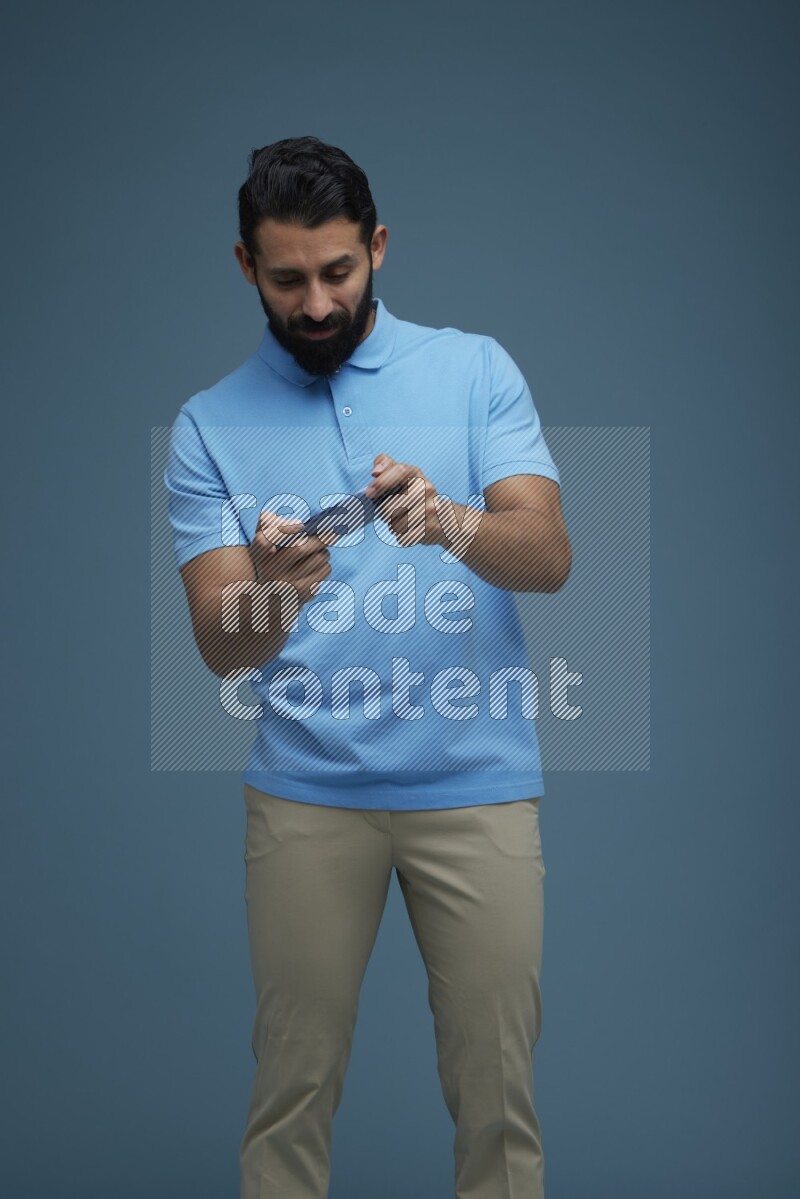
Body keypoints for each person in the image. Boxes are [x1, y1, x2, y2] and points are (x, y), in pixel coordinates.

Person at [164, 135, 571, 1199]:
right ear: (246, 265)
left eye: (337, 271)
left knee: (498, 1105)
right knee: (289, 1098)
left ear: (377, 248)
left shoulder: (475, 368)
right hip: (305, 796)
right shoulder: (208, 425)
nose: (314, 303)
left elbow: (550, 556)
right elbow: (219, 638)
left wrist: (450, 521)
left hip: (476, 790)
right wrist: (277, 591)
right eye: (288, 277)